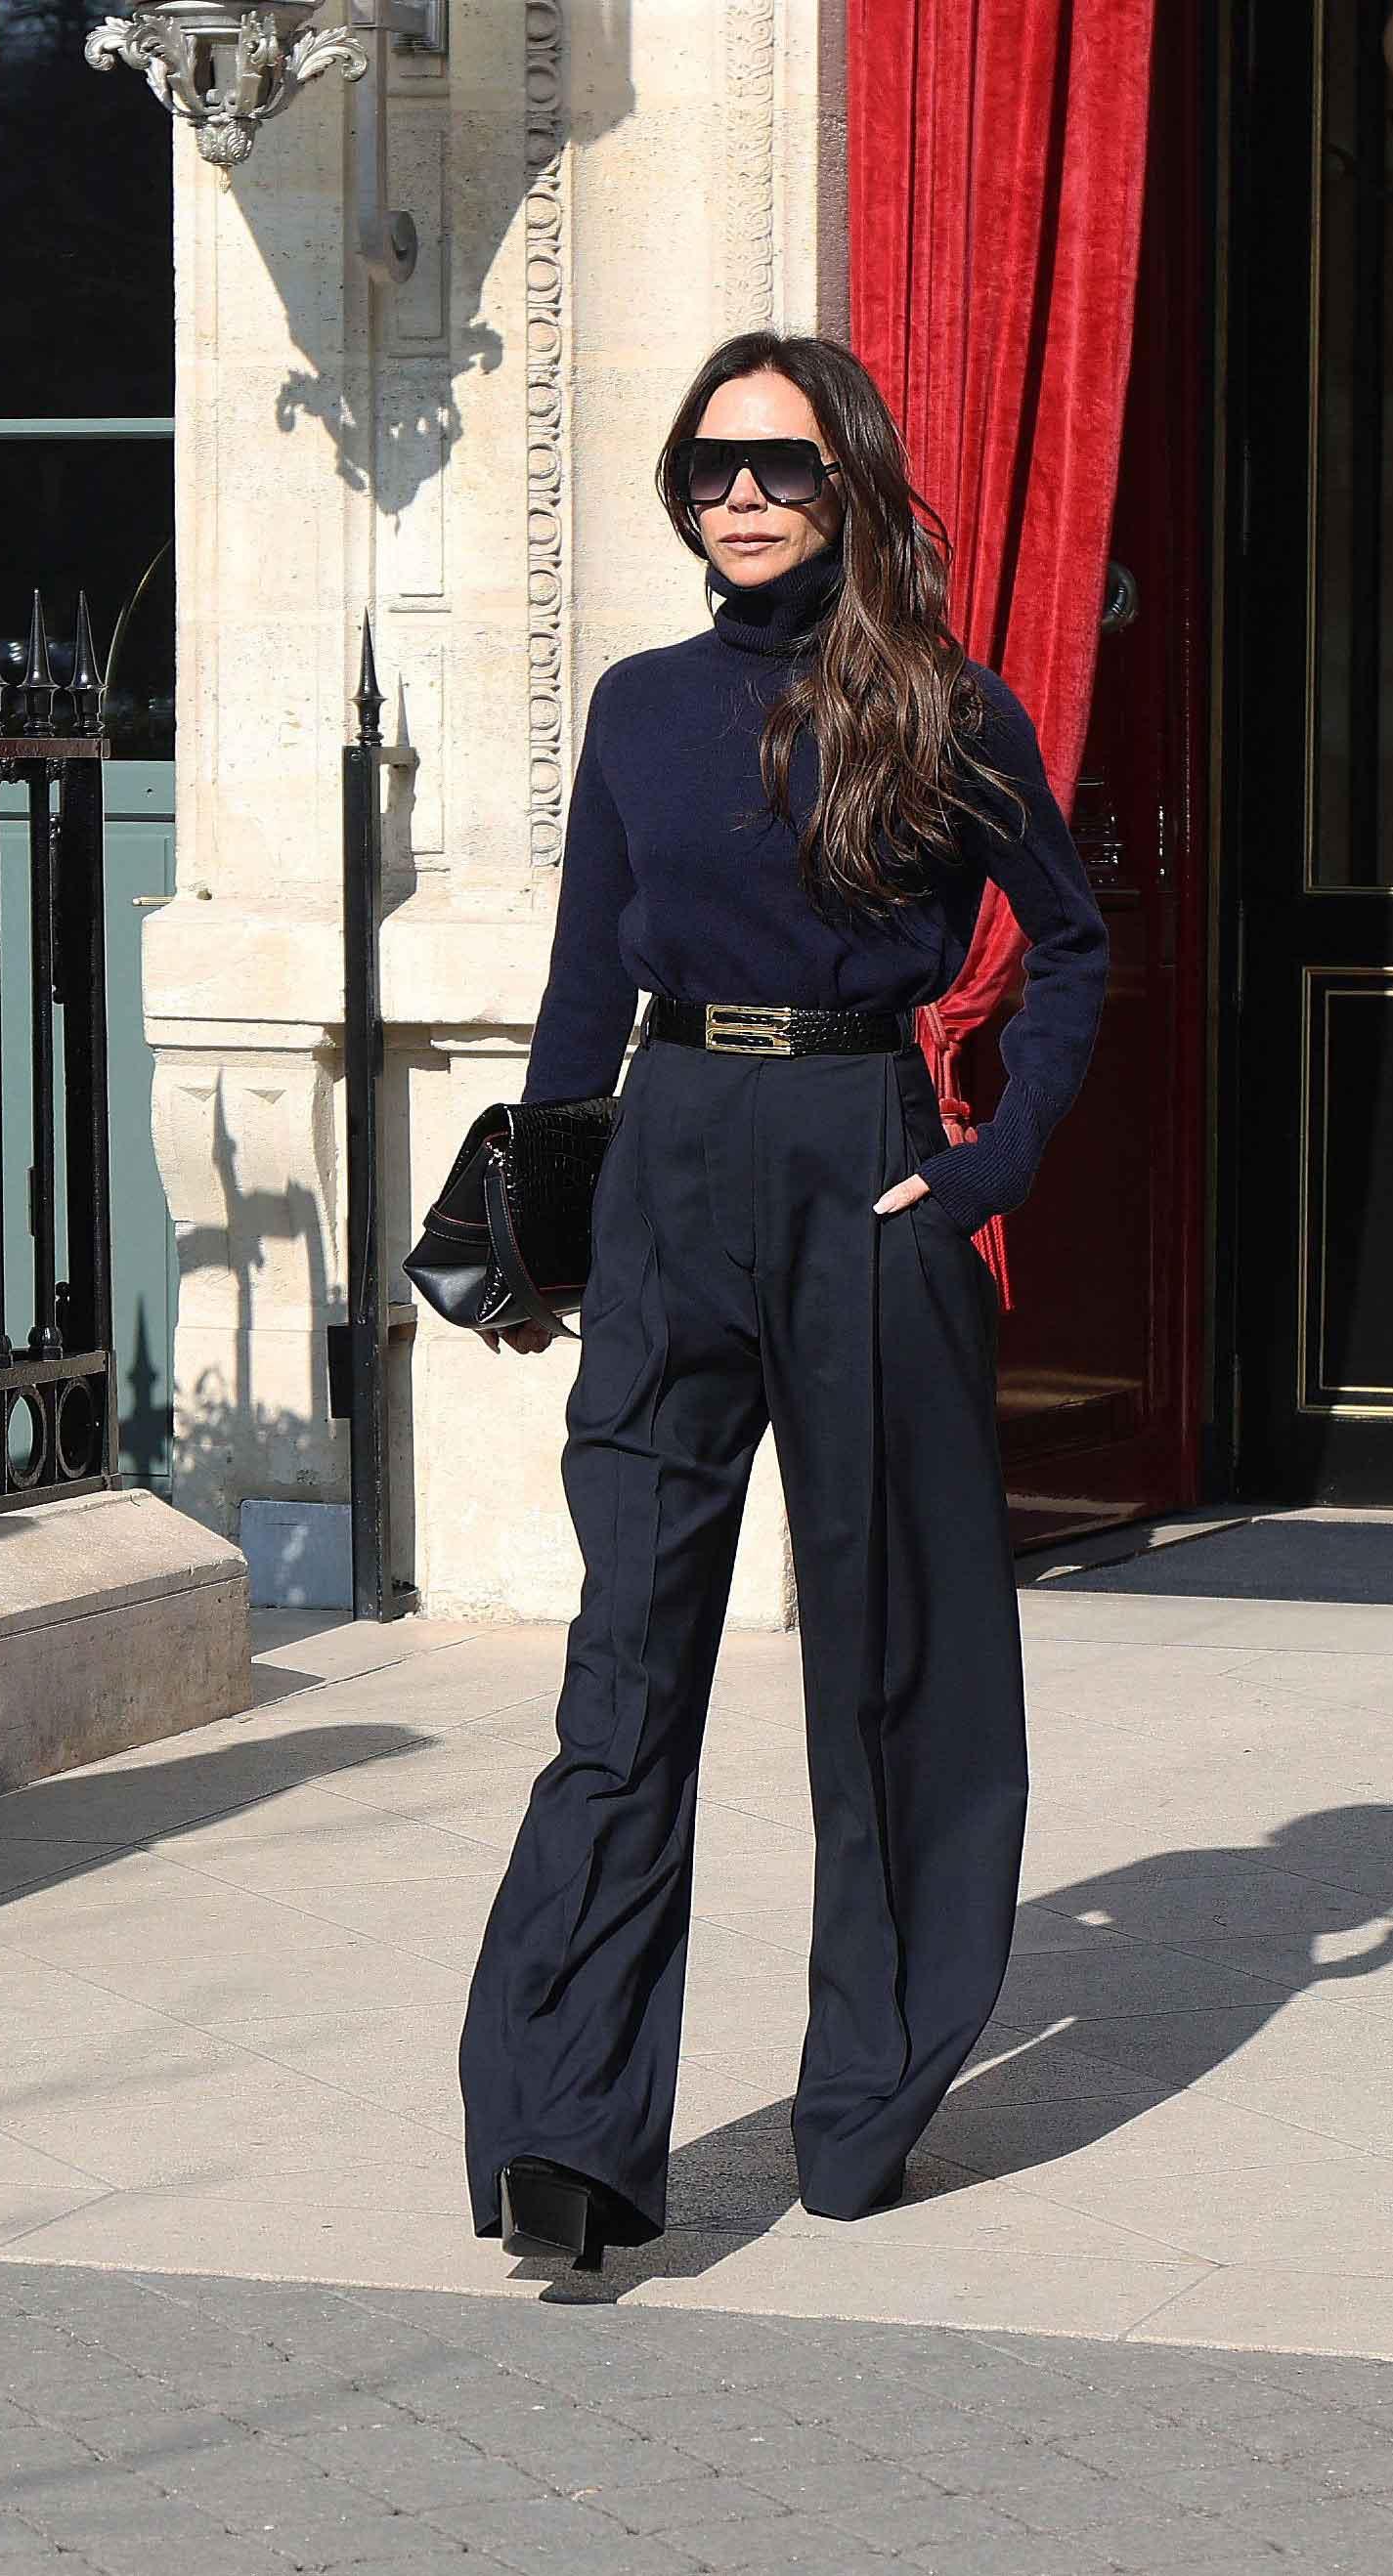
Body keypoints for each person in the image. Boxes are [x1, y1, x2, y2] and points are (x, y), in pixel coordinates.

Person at [456, 333, 1110, 2266]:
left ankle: (865, 2102)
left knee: (888, 1661)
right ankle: (568, 2131)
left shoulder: (942, 708)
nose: (741, 497)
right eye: (712, 467)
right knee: (627, 1660)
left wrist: (985, 1168)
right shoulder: (644, 706)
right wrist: (541, 1231)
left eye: (782, 469)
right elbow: (587, 976)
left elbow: (1066, 949)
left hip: (865, 1158)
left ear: (852, 491)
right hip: (672, 1153)